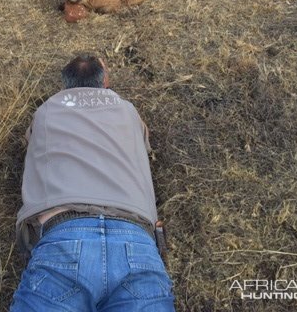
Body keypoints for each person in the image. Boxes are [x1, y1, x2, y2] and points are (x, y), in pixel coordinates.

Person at [10, 54, 175, 312]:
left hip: (61, 237)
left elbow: (30, 143)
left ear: (65, 84)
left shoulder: (46, 110)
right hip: (136, 240)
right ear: (105, 80)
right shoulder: (127, 109)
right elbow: (144, 142)